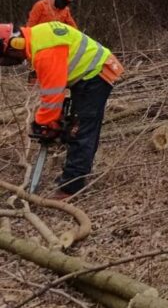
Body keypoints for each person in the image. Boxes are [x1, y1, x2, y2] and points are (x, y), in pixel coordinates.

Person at [0, 22, 123, 198]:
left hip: (95, 74)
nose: (9, 63)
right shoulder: (36, 38)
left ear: (14, 44)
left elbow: (52, 95)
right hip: (87, 75)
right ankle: (75, 174)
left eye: (6, 57)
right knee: (76, 126)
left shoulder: (44, 52)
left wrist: (43, 123)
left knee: (81, 129)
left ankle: (71, 186)